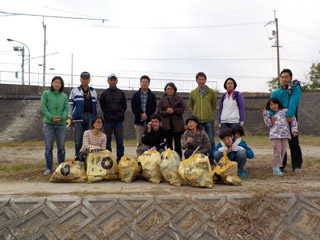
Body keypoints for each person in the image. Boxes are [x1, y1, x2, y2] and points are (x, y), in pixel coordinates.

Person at [270, 69, 302, 172]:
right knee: (280, 145)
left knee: (293, 143)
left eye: (286, 77)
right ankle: (280, 165)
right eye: (282, 77)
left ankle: (296, 165)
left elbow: (294, 102)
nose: (284, 79)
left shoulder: (295, 88)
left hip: (290, 119)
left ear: (290, 78)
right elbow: (270, 106)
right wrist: (271, 116)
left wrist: (289, 115)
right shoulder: (275, 93)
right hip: (279, 122)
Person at [41, 76, 69, 175]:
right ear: (52, 83)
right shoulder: (46, 94)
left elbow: (66, 109)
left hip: (61, 125)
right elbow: (44, 107)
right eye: (55, 82)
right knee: (48, 148)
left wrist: (62, 118)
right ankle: (48, 168)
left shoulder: (64, 96)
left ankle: (61, 167)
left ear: (61, 85)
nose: (57, 84)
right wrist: (51, 117)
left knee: (61, 148)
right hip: (49, 124)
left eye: (59, 83)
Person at [263, 98, 298, 176]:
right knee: (277, 151)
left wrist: (294, 130)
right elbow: (268, 124)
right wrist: (266, 115)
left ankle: (278, 166)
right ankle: (276, 167)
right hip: (275, 135)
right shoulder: (270, 114)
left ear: (278, 104)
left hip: (285, 134)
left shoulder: (285, 111)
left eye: (275, 104)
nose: (273, 106)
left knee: (283, 151)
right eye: (271, 105)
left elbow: (293, 121)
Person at [189, 72, 217, 164]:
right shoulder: (193, 93)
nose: (201, 81)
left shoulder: (211, 92)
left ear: (205, 80)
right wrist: (196, 113)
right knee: (199, 141)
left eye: (203, 79)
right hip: (197, 121)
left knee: (211, 140)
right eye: (199, 79)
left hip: (208, 119)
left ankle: (211, 159)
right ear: (196, 81)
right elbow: (191, 105)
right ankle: (201, 158)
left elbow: (214, 104)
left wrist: (209, 112)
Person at [68, 71, 98, 160]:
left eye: (86, 79)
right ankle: (78, 159)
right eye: (83, 79)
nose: (85, 80)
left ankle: (88, 158)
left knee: (89, 139)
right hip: (78, 118)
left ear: (89, 80)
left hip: (90, 118)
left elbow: (95, 106)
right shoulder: (75, 90)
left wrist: (95, 119)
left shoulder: (93, 91)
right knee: (78, 140)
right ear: (80, 79)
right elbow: (70, 104)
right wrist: (70, 117)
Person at [99, 74, 127, 163]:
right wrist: (108, 115)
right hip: (108, 121)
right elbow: (102, 106)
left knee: (120, 142)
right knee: (107, 142)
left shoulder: (121, 93)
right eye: (111, 80)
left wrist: (119, 114)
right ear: (108, 81)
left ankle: (120, 161)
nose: (113, 82)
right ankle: (109, 161)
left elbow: (124, 106)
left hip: (118, 121)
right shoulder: (104, 93)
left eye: (114, 80)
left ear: (116, 81)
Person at [157, 82, 185, 158]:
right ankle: (170, 159)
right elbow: (159, 110)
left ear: (174, 90)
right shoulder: (162, 100)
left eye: (171, 89)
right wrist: (166, 112)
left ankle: (178, 159)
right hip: (167, 125)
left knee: (177, 143)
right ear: (165, 90)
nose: (169, 90)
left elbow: (182, 109)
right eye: (168, 89)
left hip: (177, 125)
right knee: (169, 143)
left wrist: (174, 110)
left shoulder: (179, 98)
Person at [131, 75, 157, 157]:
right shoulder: (135, 95)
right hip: (139, 122)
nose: (144, 84)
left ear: (148, 84)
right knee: (139, 142)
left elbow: (153, 107)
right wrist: (141, 115)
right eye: (143, 82)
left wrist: (147, 114)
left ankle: (149, 158)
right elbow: (133, 107)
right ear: (140, 83)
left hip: (150, 121)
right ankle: (139, 158)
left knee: (150, 141)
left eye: (146, 82)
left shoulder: (152, 96)